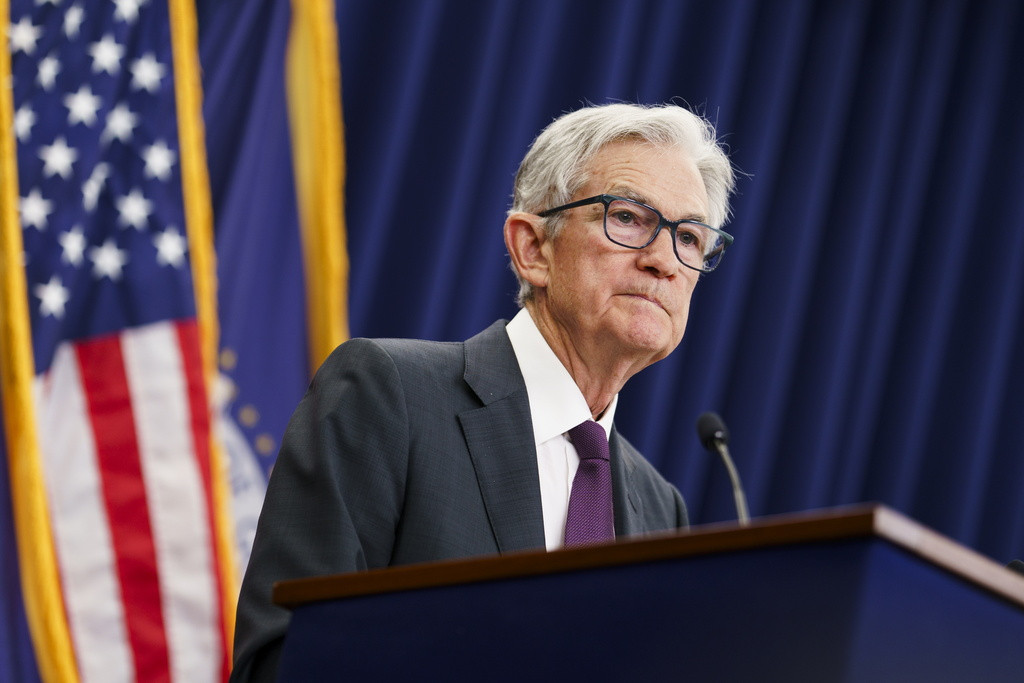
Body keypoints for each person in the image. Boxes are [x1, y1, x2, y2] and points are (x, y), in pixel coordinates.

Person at [229, 102, 736, 681]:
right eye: (626, 217)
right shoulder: (388, 396)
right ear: (533, 248)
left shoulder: (660, 508)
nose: (663, 261)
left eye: (690, 239)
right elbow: (283, 657)